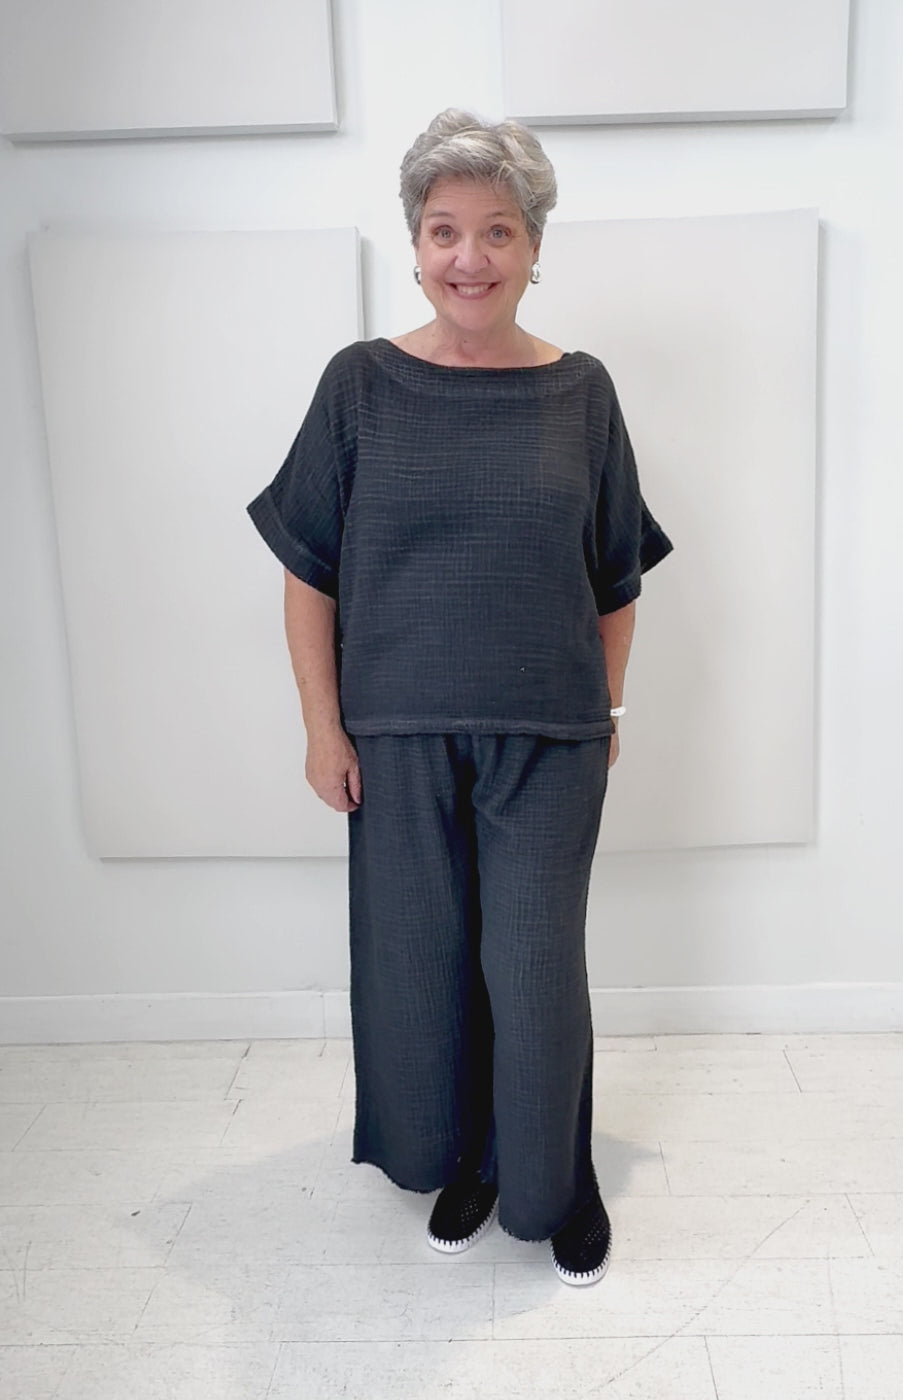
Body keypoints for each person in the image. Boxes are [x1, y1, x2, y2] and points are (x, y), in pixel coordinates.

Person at [246, 108, 672, 1286]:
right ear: (415, 242)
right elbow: (307, 571)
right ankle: (469, 1156)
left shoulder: (581, 393)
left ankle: (557, 1176)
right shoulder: (359, 386)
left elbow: (615, 578)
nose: (469, 256)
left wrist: (606, 711)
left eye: (496, 230)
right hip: (395, 737)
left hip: (549, 736)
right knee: (423, 970)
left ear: (533, 246)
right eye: (444, 230)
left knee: (533, 972)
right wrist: (322, 728)